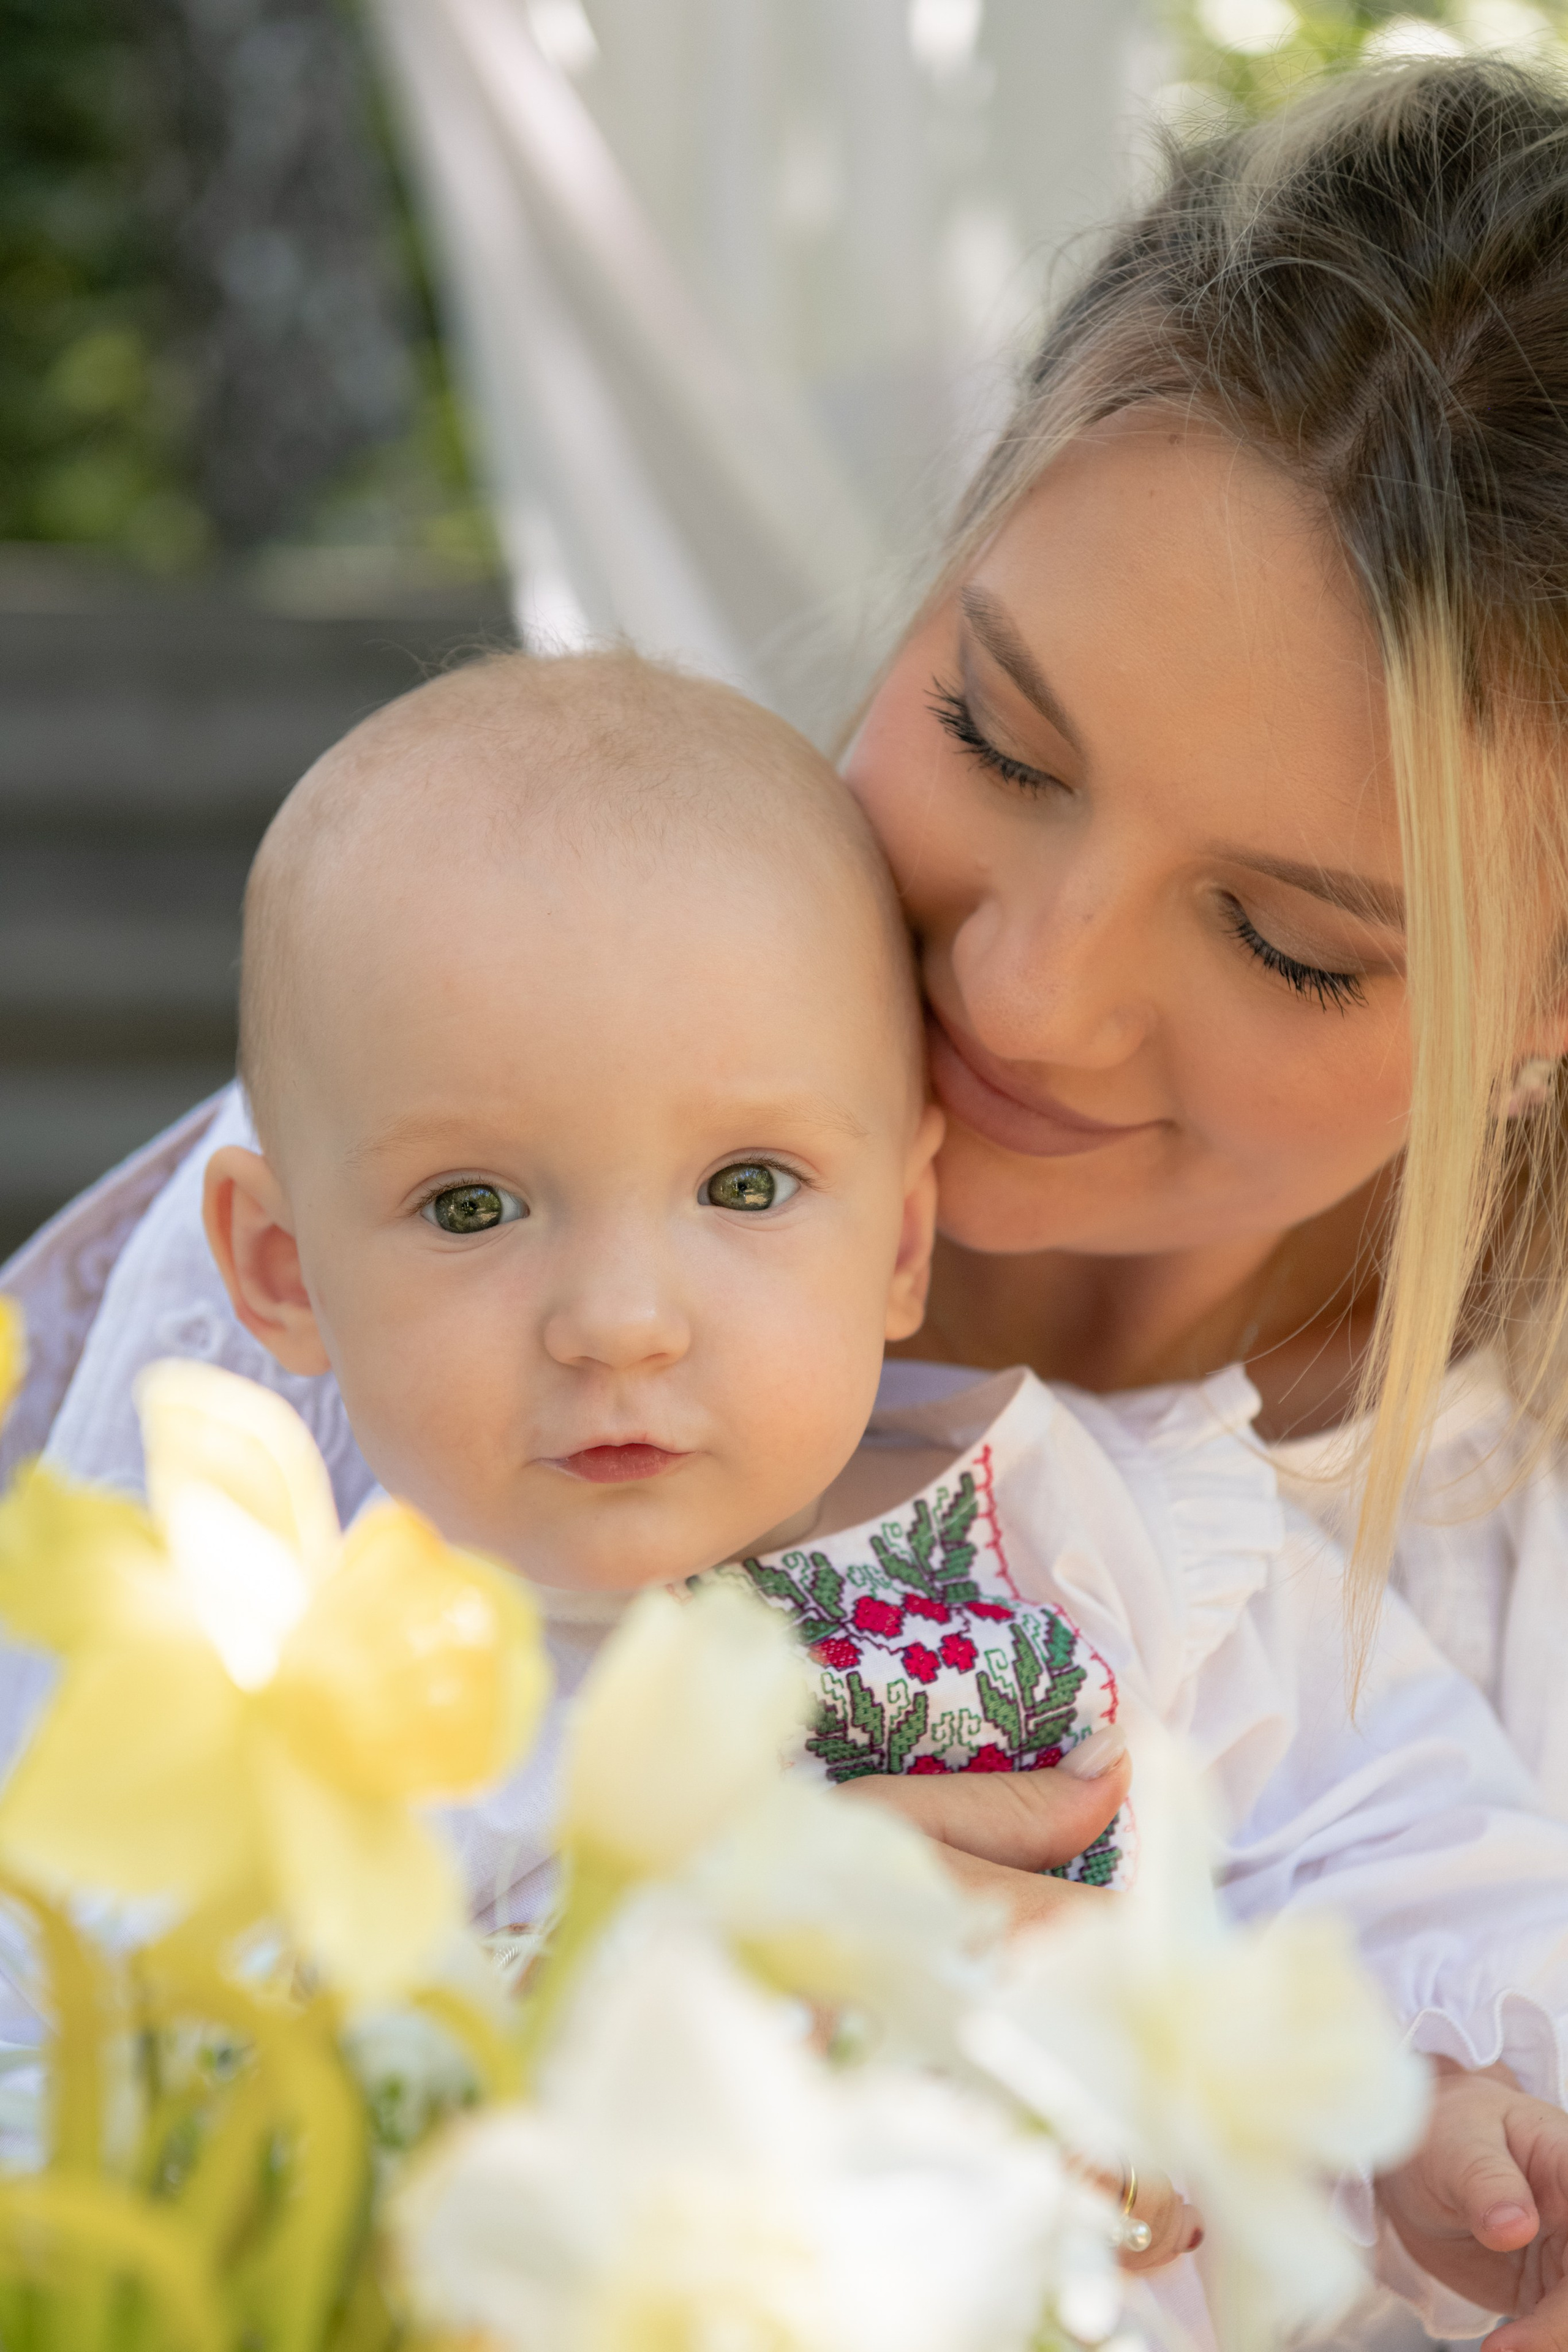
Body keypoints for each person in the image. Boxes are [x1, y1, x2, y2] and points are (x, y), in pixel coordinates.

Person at [9, 50, 1568, 2349]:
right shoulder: (423, 1171)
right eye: (999, 739)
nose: (1027, 995)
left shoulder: (1358, 1560)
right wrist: (584, 2014)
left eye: (1289, 942)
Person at [168, 643, 1568, 2340]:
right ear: (276, 1265)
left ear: (901, 1235)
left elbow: (1380, 1834)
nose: (621, 1320)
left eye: (746, 1183)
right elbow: (207, 2129)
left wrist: (1432, 2105)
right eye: (472, 1206)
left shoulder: (1102, 1534)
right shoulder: (305, 1702)